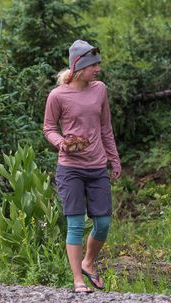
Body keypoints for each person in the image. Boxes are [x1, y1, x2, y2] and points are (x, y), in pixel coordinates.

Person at [43, 40, 121, 293]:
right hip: (70, 169)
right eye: (93, 65)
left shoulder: (100, 90)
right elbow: (49, 128)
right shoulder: (58, 95)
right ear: (79, 67)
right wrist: (60, 143)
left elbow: (105, 127)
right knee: (76, 224)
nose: (98, 68)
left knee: (103, 224)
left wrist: (114, 158)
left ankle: (88, 262)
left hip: (97, 167)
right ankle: (78, 279)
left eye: (98, 64)